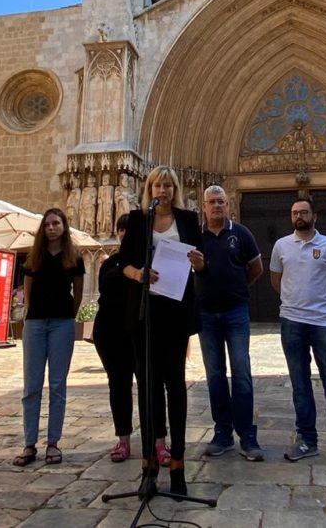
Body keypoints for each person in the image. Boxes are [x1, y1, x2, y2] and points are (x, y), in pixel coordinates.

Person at [120, 165, 202, 496]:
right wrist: (138, 274)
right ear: (149, 189)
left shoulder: (188, 220)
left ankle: (179, 465)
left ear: (176, 189)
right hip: (145, 314)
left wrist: (200, 262)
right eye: (158, 185)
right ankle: (149, 467)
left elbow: (201, 261)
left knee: (175, 387)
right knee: (148, 388)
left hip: (176, 312)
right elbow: (121, 262)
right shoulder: (138, 220)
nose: (163, 190)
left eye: (169, 185)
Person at [270, 197, 326, 466]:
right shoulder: (281, 246)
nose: (299, 216)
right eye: (294, 212)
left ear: (314, 216)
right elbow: (276, 280)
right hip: (291, 322)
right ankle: (306, 439)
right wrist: (294, 301)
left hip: (323, 323)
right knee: (300, 384)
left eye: (304, 212)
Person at [189, 185, 264, 460]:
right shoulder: (194, 236)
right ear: (204, 206)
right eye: (211, 201)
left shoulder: (241, 233)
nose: (216, 205)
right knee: (215, 375)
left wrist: (238, 288)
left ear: (228, 204)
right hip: (206, 313)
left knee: (241, 372)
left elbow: (257, 268)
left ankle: (247, 435)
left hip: (235, 312)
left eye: (221, 201)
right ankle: (222, 433)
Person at [93, 214, 167, 463]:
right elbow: (107, 286)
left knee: (151, 385)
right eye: (121, 229)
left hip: (142, 331)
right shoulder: (110, 263)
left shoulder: (151, 262)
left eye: (130, 229)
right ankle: (123, 439)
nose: (124, 233)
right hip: (111, 333)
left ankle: (159, 441)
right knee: (118, 384)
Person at [14, 208, 84, 467]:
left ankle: (53, 442)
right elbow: (29, 292)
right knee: (31, 385)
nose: (51, 228)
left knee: (57, 385)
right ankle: (29, 443)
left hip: (62, 323)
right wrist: (34, 315)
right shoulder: (34, 256)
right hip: (35, 324)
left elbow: (77, 293)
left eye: (56, 223)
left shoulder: (74, 257)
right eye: (47, 225)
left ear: (64, 227)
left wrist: (69, 316)